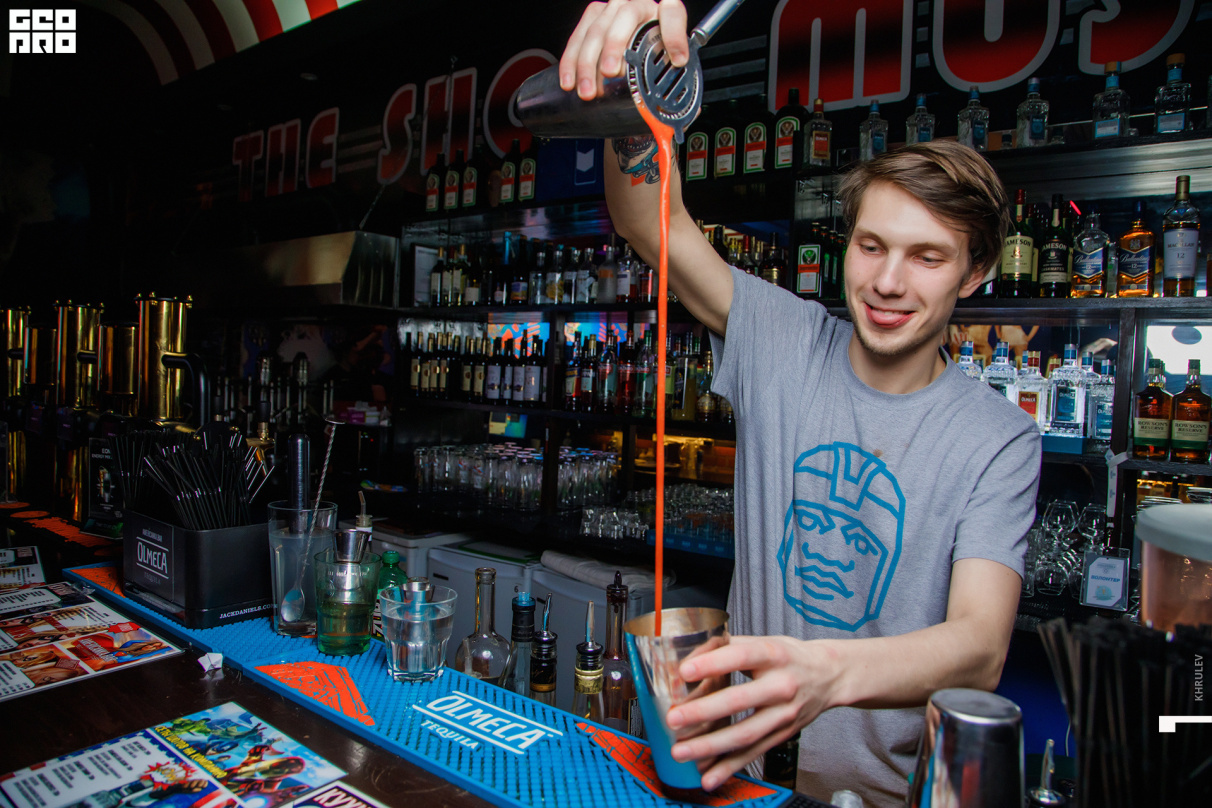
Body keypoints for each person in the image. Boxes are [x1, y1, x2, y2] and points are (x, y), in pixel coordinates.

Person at [558, 3, 1041, 805]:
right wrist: (629, 94)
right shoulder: (784, 340)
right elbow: (651, 221)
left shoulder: (998, 440)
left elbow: (980, 646)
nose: (888, 283)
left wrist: (827, 675)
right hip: (740, 783)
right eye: (871, 246)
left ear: (976, 271)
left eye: (927, 258)